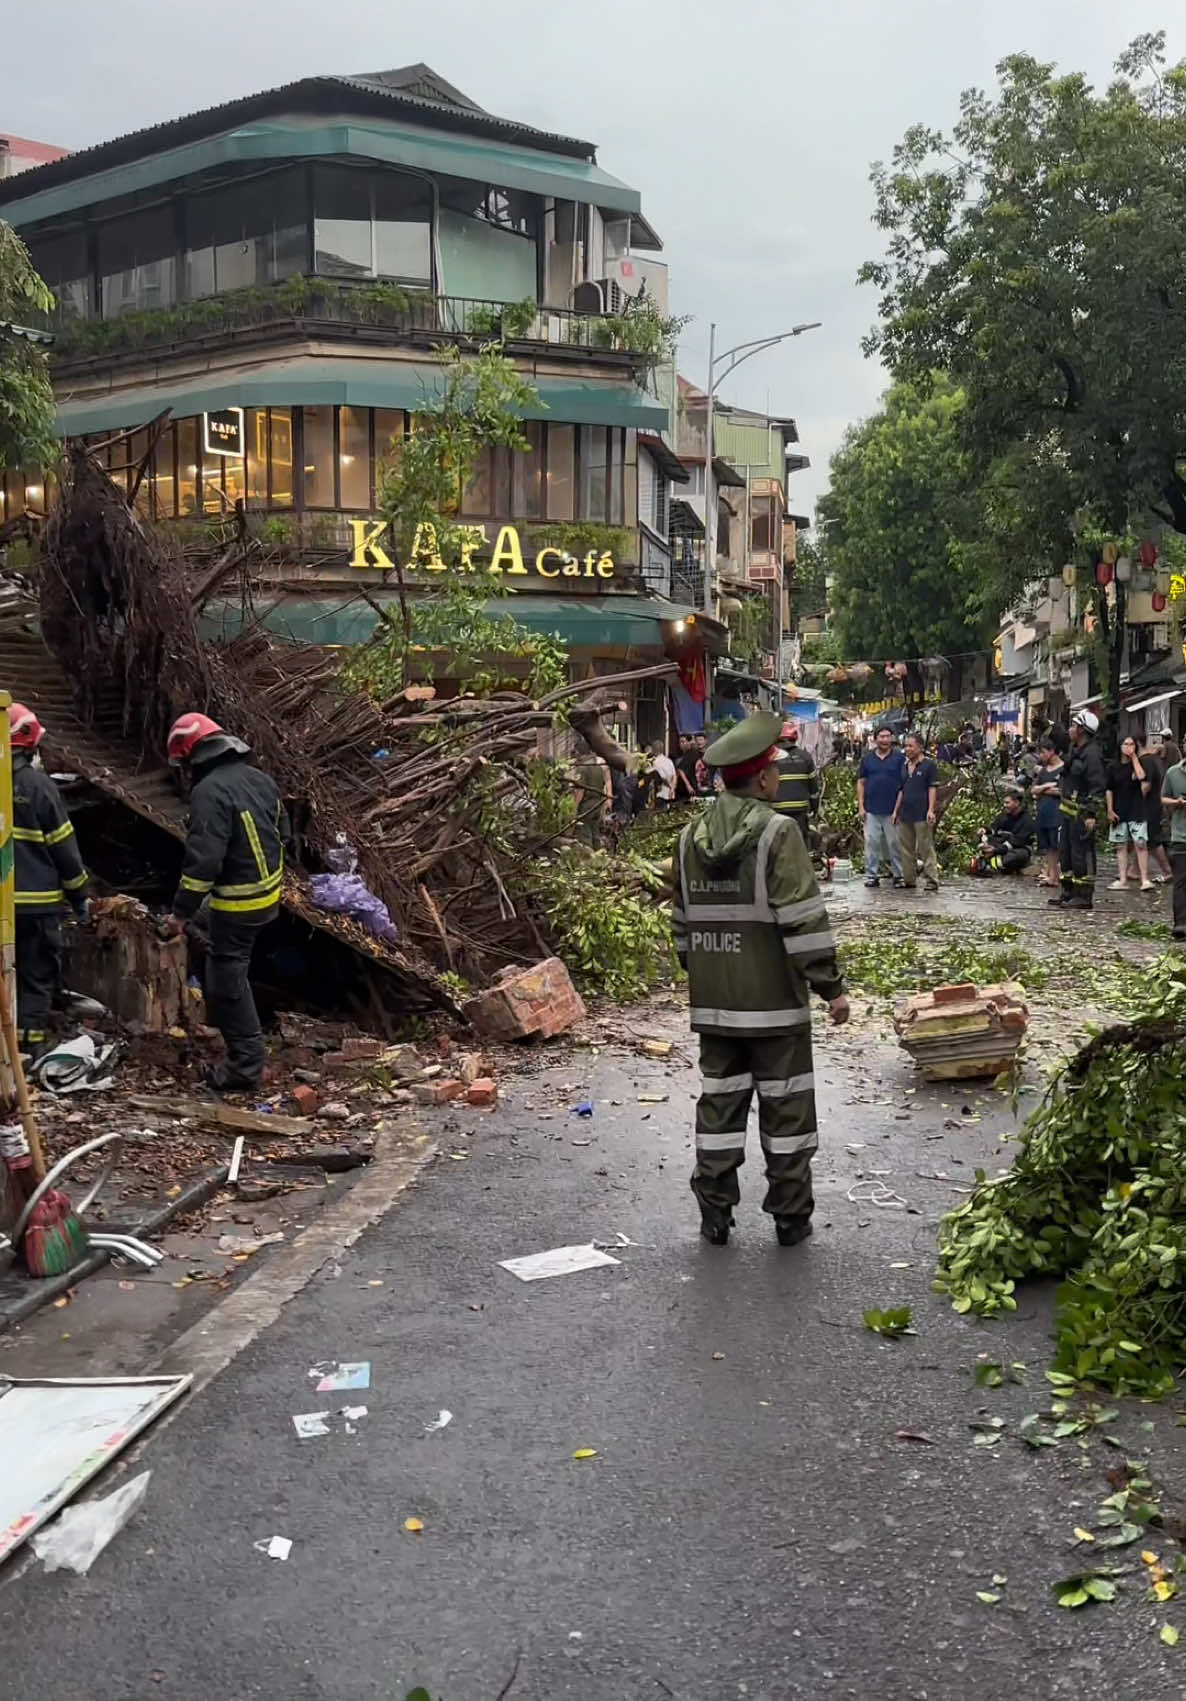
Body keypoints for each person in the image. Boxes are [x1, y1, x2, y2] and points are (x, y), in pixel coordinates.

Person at [669, 711, 848, 1248]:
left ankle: (714, 1212)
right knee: (787, 1109)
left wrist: (702, 969)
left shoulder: (686, 838)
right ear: (764, 777)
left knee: (719, 1106)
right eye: (773, 769)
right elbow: (803, 920)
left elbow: (681, 925)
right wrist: (831, 988)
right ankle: (790, 1217)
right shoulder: (778, 832)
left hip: (716, 1004)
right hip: (774, 1006)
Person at [160, 713, 289, 1091]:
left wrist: (179, 915)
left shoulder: (209, 792)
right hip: (267, 895)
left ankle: (245, 1069)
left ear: (191, 757)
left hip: (239, 904)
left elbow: (203, 865)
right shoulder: (260, 779)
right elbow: (285, 831)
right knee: (213, 940)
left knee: (224, 982)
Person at [8, 704, 90, 1055]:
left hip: (2, 907)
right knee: (35, 980)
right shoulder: (38, 786)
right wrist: (80, 896)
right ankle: (28, 1054)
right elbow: (64, 849)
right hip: (36, 907)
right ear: (28, 746)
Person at [1052, 709, 1108, 910]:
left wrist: (1092, 814)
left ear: (1083, 730)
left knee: (1081, 855)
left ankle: (1083, 896)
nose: (1070, 729)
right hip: (1067, 812)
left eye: (1074, 726)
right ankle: (1068, 892)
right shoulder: (1075, 749)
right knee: (1065, 854)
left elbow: (1098, 785)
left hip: (1082, 814)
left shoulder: (1092, 755)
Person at [858, 727, 906, 888]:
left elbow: (903, 785)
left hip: (893, 810)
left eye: (887, 736)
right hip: (871, 808)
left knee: (894, 843)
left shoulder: (899, 758)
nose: (885, 740)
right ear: (875, 739)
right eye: (881, 736)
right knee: (871, 842)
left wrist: (898, 809)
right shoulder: (868, 759)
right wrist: (861, 806)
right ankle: (871, 875)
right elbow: (861, 782)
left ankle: (898, 875)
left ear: (892, 738)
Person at [892, 732, 940, 891]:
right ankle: (909, 879)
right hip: (905, 813)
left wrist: (931, 810)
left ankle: (932, 879)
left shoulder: (929, 766)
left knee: (925, 848)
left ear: (920, 747)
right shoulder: (904, 767)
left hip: (921, 813)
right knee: (906, 849)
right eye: (906, 746)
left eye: (911, 746)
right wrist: (895, 811)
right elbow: (900, 790)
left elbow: (932, 788)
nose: (907, 749)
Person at [1106, 736, 1153, 891]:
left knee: (1140, 843)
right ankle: (1122, 878)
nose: (1128, 746)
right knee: (1121, 845)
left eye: (1131, 744)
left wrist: (1133, 757)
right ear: (1119, 746)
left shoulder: (1137, 764)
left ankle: (1145, 879)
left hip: (1137, 809)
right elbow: (1109, 789)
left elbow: (1141, 777)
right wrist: (1110, 809)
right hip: (1120, 809)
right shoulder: (1113, 767)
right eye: (1125, 744)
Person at [773, 721, 820, 841]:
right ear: (795, 738)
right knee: (800, 845)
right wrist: (815, 808)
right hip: (799, 812)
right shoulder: (805, 757)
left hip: (775, 811)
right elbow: (814, 788)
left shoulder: (770, 757)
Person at [970, 791, 1035, 875]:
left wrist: (995, 850)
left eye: (1007, 803)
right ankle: (985, 861)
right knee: (981, 842)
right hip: (999, 845)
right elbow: (993, 828)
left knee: (1016, 856)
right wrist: (985, 830)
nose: (1005, 805)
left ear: (1017, 803)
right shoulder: (1003, 815)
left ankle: (991, 864)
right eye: (1004, 803)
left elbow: (1017, 841)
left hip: (1017, 848)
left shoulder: (1027, 820)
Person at [1031, 737, 1065, 887]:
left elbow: (1063, 791)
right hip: (1043, 812)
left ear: (1052, 751)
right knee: (1048, 848)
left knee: (1057, 845)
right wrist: (1046, 787)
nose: (1041, 756)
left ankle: (1059, 875)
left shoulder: (1064, 769)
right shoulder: (1044, 771)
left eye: (1043, 752)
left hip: (1057, 813)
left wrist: (1045, 790)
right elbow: (1034, 791)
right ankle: (1052, 876)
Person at [1141, 736, 1173, 883]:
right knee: (1142, 840)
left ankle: (1167, 871)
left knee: (1152, 840)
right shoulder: (1157, 761)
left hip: (1150, 806)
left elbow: (1145, 787)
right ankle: (1135, 870)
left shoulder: (1148, 761)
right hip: (1155, 805)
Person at [1162, 746, 1186, 938]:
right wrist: (1176, 802)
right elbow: (1163, 798)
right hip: (1180, 835)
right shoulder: (1173, 772)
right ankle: (1181, 924)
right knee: (1180, 882)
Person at [648, 741, 677, 810]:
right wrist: (672, 788)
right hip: (671, 794)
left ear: (653, 749)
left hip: (660, 794)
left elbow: (662, 777)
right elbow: (674, 775)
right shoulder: (669, 761)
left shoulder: (655, 762)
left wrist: (670, 787)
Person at [674, 734, 699, 802]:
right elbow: (679, 770)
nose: (681, 744)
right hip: (683, 789)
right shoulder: (680, 755)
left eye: (683, 742)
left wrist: (688, 785)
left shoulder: (692, 753)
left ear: (689, 742)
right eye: (680, 742)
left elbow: (680, 769)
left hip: (691, 787)